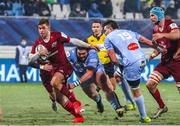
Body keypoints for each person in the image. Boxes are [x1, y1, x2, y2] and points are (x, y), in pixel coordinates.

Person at [28, 18, 96, 123]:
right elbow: (30, 60)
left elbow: (73, 40)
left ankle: (75, 101)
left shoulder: (58, 35)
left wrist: (88, 45)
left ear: (48, 27)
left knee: (54, 82)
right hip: (54, 70)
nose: (41, 30)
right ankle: (78, 116)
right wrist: (38, 54)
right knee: (59, 99)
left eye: (43, 28)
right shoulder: (38, 44)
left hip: (64, 66)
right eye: (39, 28)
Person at [103, 20, 153, 123]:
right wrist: (157, 47)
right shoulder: (129, 32)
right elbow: (145, 40)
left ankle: (144, 117)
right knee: (117, 76)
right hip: (142, 59)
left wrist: (120, 65)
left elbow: (113, 58)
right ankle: (130, 102)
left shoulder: (108, 38)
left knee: (136, 90)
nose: (104, 33)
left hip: (131, 64)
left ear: (110, 29)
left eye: (105, 31)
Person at [86, 20, 135, 111]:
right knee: (108, 88)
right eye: (94, 27)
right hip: (97, 67)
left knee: (113, 87)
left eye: (97, 27)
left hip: (108, 65)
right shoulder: (89, 40)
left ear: (101, 28)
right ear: (92, 28)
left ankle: (99, 92)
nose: (95, 29)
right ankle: (118, 107)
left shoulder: (108, 37)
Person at [67, 46, 125, 118]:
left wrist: (75, 84)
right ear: (76, 51)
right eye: (79, 54)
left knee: (105, 87)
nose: (81, 56)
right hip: (81, 75)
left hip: (95, 71)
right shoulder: (70, 54)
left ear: (87, 51)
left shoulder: (92, 53)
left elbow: (89, 73)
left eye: (83, 53)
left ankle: (117, 107)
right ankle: (98, 101)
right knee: (93, 95)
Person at [146, 6, 180, 119]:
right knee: (150, 84)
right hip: (165, 62)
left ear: (159, 15)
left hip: (177, 62)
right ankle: (162, 107)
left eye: (153, 15)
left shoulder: (170, 24)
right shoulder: (155, 29)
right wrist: (153, 54)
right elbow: (161, 47)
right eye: (150, 15)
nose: (151, 17)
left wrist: (163, 34)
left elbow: (177, 35)